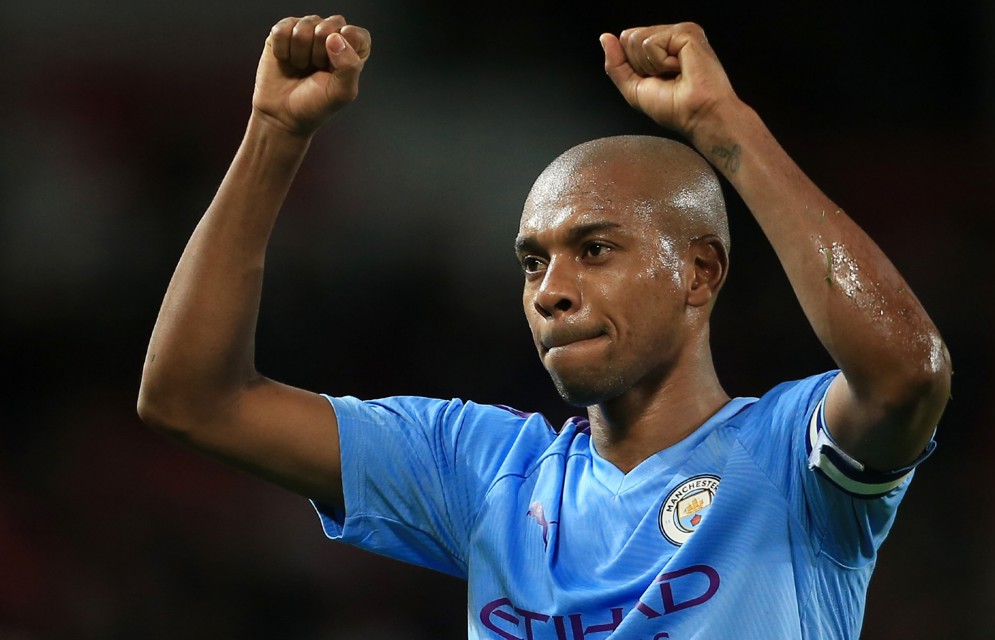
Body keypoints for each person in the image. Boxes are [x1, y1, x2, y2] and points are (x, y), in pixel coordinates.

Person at [137, 14, 951, 640]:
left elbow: (908, 370)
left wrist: (725, 127)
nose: (551, 291)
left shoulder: (787, 459)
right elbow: (192, 399)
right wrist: (274, 136)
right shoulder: (488, 473)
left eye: (595, 250)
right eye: (532, 263)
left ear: (699, 272)